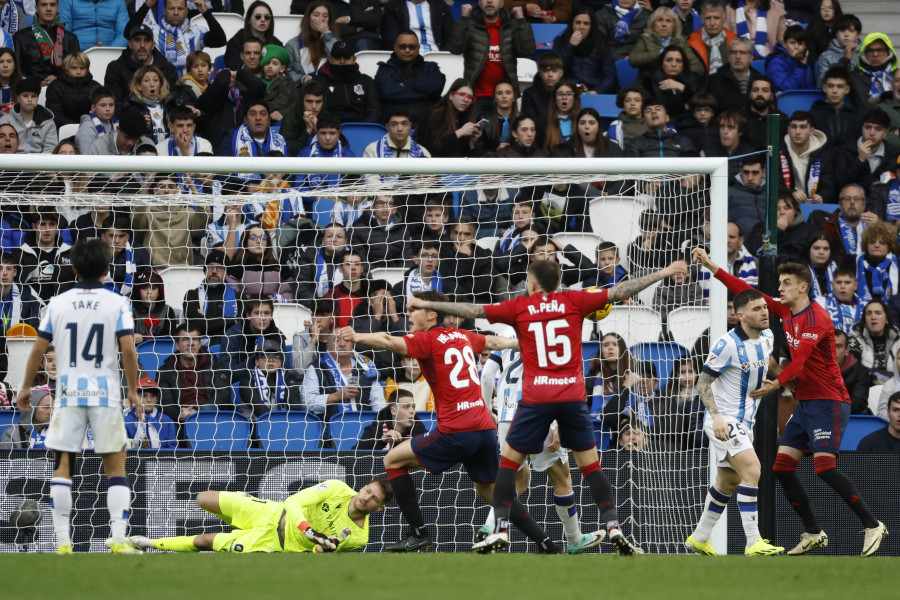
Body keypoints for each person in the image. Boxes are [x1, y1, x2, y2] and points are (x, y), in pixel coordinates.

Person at [413, 260, 687, 555]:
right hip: (571, 397)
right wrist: (663, 272)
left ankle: (502, 528)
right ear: (558, 283)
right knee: (589, 468)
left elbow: (473, 312)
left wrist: (424, 301)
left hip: (533, 400)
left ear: (532, 284)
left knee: (507, 466)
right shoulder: (575, 300)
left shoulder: (520, 307)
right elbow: (620, 291)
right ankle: (612, 527)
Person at [692, 246, 888, 557]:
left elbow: (801, 362)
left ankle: (872, 524)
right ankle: (812, 532)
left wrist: (777, 384)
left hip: (829, 401)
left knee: (824, 467)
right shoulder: (784, 312)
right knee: (782, 468)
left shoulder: (818, 318)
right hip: (806, 402)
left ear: (802, 287)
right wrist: (711, 266)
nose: (779, 288)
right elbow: (746, 291)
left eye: (784, 283)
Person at [339, 290, 560, 553]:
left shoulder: (427, 339)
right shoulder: (463, 336)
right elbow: (493, 341)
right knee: (489, 492)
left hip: (457, 429)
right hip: (484, 429)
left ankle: (419, 534)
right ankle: (546, 543)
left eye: (414, 310)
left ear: (431, 314)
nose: (408, 315)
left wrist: (358, 336)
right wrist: (521, 343)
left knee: (392, 460)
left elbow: (388, 341)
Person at [15, 238, 141, 554]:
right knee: (116, 469)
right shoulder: (117, 303)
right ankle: (118, 538)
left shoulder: (58, 302)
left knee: (63, 466)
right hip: (105, 393)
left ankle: (62, 540)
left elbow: (39, 348)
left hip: (69, 393)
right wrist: (134, 390)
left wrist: (26, 387)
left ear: (72, 269)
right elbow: (127, 347)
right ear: (107, 270)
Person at [478, 324, 606, 553]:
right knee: (562, 479)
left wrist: (487, 410)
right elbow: (551, 379)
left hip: (507, 416)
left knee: (516, 478)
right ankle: (575, 540)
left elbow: (487, 374)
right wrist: (556, 423)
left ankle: (490, 527)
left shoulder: (507, 331)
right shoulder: (547, 328)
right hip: (537, 413)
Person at [684, 289, 784, 556]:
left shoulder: (768, 336)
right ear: (740, 316)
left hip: (745, 421)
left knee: (728, 482)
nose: (764, 312)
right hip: (724, 420)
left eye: (765, 307)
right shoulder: (726, 344)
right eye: (756, 309)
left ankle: (700, 537)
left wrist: (782, 380)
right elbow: (703, 382)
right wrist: (716, 416)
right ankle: (753, 541)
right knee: (752, 470)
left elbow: (768, 361)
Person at [128, 477, 392, 553]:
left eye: (374, 499)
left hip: (274, 543)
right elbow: (294, 500)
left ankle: (145, 543)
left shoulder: (359, 537)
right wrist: (307, 529)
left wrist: (318, 546)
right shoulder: (336, 488)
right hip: (270, 511)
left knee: (205, 541)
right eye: (368, 490)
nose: (365, 497)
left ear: (378, 508)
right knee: (203, 498)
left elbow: (323, 555)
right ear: (363, 486)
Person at [449, 0, 535, 112]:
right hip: (476, 96)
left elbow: (527, 51)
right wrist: (463, 18)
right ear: (479, 2)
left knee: (505, 129)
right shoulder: (469, 24)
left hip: (505, 96)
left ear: (502, 3)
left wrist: (521, 20)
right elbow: (455, 49)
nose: (489, 1)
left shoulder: (512, 24)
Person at [301, 330, 386, 422]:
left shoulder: (365, 367)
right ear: (328, 347)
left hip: (366, 430)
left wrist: (378, 428)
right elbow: (307, 404)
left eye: (346, 340)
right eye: (337, 340)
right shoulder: (316, 368)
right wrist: (336, 396)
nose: (342, 344)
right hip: (330, 431)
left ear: (352, 345)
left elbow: (379, 404)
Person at [157, 322, 232, 424]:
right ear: (177, 345)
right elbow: (165, 403)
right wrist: (180, 415)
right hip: (182, 420)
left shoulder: (214, 363)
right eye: (185, 339)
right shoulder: (165, 370)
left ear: (200, 344)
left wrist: (198, 412)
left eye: (195, 339)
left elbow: (223, 394)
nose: (191, 343)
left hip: (211, 416)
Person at [126, 0, 226, 77]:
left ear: (186, 11)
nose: (176, 12)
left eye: (180, 9)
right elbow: (128, 33)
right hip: (161, 87)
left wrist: (205, 12)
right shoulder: (153, 31)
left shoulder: (196, 32)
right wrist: (146, 5)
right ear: (164, 11)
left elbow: (220, 40)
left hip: (191, 86)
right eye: (171, 8)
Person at [374, 30, 446, 127]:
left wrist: (409, 84)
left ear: (418, 48)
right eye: (402, 46)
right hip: (395, 129)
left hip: (428, 127)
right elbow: (389, 93)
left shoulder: (430, 68)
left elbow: (437, 85)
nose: (407, 50)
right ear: (395, 47)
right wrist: (425, 95)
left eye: (412, 47)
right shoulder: (385, 69)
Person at [104, 24, 178, 108]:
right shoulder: (115, 68)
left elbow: (173, 101)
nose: (142, 45)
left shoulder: (168, 68)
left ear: (153, 45)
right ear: (130, 44)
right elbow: (113, 104)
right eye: (137, 40)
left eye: (147, 40)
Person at [313, 40, 381, 125]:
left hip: (362, 130)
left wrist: (361, 128)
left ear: (354, 59)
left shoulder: (366, 81)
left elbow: (374, 111)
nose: (342, 61)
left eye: (346, 57)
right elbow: (315, 110)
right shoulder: (318, 82)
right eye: (337, 57)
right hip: (329, 131)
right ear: (330, 59)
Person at [630, 6, 704, 85]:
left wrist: (679, 73)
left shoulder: (681, 42)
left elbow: (698, 67)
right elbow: (633, 60)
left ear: (674, 26)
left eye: (668, 21)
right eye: (660, 20)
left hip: (676, 85)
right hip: (650, 86)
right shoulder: (645, 39)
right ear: (653, 24)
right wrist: (662, 52)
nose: (664, 24)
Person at [12, 0, 80, 85]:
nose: (48, 9)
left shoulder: (70, 38)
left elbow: (78, 72)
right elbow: (17, 73)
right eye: (44, 5)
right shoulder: (21, 37)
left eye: (52, 5)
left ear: (57, 8)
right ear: (36, 8)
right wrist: (37, 84)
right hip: (32, 93)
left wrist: (59, 81)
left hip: (64, 92)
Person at [834, 109, 898, 196]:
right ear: (862, 128)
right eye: (868, 127)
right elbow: (839, 185)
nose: (872, 133)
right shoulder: (845, 150)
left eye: (878, 129)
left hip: (879, 205)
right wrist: (859, 160)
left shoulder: (892, 155)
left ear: (885, 133)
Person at [554, 9, 616, 95]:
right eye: (578, 23)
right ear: (572, 24)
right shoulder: (560, 41)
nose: (581, 27)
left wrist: (597, 91)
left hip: (594, 91)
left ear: (591, 26)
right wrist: (570, 45)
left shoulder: (601, 43)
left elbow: (610, 75)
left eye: (586, 23)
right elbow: (556, 69)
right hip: (567, 91)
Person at [779, 110, 834, 204]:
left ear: (811, 131)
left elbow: (829, 186)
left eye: (803, 127)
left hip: (814, 207)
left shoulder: (823, 154)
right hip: (785, 204)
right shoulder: (778, 151)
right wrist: (791, 193)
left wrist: (821, 196)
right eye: (793, 127)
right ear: (788, 129)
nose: (797, 132)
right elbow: (774, 185)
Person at [412, 79, 476, 158]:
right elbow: (434, 149)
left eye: (470, 97)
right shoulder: (436, 114)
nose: (466, 100)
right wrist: (460, 132)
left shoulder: (462, 116)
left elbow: (463, 156)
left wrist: (471, 143)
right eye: (462, 95)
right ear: (451, 96)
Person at [355, 388, 428, 451]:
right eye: (406, 407)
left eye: (413, 407)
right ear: (393, 411)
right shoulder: (376, 430)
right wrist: (382, 441)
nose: (412, 411)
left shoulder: (421, 433)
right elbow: (355, 454)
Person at [848, 298, 899, 385]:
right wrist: (881, 377)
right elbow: (854, 373)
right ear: (864, 319)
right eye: (868, 314)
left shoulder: (898, 340)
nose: (873, 317)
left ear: (886, 318)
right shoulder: (854, 340)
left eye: (878, 313)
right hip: (865, 390)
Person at [810, 66, 862, 151]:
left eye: (840, 86)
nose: (835, 91)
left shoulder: (856, 116)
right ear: (824, 88)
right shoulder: (812, 115)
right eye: (830, 86)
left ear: (847, 89)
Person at [642, 46, 702, 119]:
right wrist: (684, 107)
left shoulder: (692, 78)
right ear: (662, 63)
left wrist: (682, 88)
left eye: (678, 61)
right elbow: (663, 108)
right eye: (669, 60)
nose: (673, 64)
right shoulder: (650, 81)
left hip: (691, 121)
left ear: (683, 65)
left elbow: (700, 104)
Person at [44, 51, 100, 129]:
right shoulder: (55, 87)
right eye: (74, 68)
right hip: (62, 131)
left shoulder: (96, 87)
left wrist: (86, 128)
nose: (78, 72)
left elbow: (101, 112)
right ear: (66, 69)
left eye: (82, 68)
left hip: (91, 130)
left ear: (87, 70)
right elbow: (55, 115)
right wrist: (76, 127)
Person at [285, 2, 337, 83]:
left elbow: (337, 59)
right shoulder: (292, 44)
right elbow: (286, 72)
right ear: (308, 18)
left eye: (325, 16)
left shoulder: (333, 41)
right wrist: (303, 79)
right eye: (316, 15)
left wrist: (326, 33)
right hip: (302, 90)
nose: (321, 19)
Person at [0, 78, 57, 153]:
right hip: (12, 162)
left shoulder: (49, 123)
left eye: (33, 96)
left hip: (40, 163)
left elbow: (50, 150)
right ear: (18, 98)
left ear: (38, 98)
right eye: (25, 96)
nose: (29, 100)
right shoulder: (5, 121)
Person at [223, 0, 281, 71]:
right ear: (249, 20)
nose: (263, 20)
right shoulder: (235, 43)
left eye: (267, 17)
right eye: (258, 16)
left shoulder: (277, 44)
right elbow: (234, 70)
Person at [687, 0, 738, 78]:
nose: (712, 23)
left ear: (724, 19)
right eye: (708, 18)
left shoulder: (734, 41)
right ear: (702, 19)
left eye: (716, 18)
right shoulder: (691, 43)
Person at [708, 37, 761, 111]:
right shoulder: (716, 78)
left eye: (742, 52)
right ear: (729, 57)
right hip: (727, 120)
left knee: (775, 119)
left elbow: (771, 105)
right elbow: (722, 104)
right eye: (734, 52)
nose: (738, 56)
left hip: (755, 120)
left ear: (751, 58)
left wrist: (773, 122)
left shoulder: (760, 79)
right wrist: (753, 100)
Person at [124, 376, 177, 450]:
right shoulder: (126, 421)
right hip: (134, 460)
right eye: (144, 396)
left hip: (161, 460)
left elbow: (172, 449)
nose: (149, 400)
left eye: (153, 396)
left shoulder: (166, 421)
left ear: (157, 399)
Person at [521, 51, 563, 143]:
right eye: (546, 71)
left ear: (561, 73)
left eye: (554, 71)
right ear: (540, 73)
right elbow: (529, 123)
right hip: (537, 142)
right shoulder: (529, 93)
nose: (550, 75)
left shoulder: (566, 93)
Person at [847, 33, 897, 109]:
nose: (875, 54)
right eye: (870, 51)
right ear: (864, 54)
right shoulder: (855, 76)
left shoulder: (897, 76)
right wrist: (845, 60)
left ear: (888, 52)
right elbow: (831, 81)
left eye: (880, 50)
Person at [382, 0, 453, 53]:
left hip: (438, 55)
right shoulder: (394, 6)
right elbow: (390, 39)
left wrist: (443, 54)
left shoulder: (440, 6)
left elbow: (451, 37)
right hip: (406, 55)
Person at [815, 13, 861, 87]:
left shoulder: (865, 54)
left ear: (858, 34)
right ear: (836, 33)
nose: (846, 34)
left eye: (851, 31)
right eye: (842, 31)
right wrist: (845, 60)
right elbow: (821, 85)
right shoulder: (826, 56)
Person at [281, 80, 326, 156]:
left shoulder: (329, 118)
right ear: (301, 101)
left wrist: (317, 130)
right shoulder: (290, 118)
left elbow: (339, 148)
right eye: (309, 101)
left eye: (318, 102)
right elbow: (288, 151)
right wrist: (308, 130)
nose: (314, 107)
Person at [742, 74, 787, 149]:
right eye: (755, 90)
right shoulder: (739, 118)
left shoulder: (781, 119)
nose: (759, 94)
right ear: (749, 94)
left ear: (772, 96)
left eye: (765, 90)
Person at [766, 25, 816, 93]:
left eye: (800, 43)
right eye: (792, 43)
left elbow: (810, 89)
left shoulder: (805, 63)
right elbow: (788, 89)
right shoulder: (775, 63)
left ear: (805, 46)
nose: (796, 47)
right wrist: (800, 67)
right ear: (784, 44)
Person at [59, 0, 128, 49]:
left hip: (111, 53)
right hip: (77, 54)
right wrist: (88, 51)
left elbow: (124, 33)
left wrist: (108, 50)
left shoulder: (118, 1)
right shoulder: (67, 1)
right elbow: (64, 31)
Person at [130, 270, 176, 343]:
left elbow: (169, 338)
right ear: (138, 291)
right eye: (144, 288)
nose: (149, 292)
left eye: (153, 288)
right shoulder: (130, 310)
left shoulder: (168, 311)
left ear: (159, 292)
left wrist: (145, 338)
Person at [0, 251, 42, 329]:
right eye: (0, 269)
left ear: (15, 272)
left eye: (8, 269)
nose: (4, 273)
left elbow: (32, 333)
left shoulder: (29, 301)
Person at [833, 329, 870, 415]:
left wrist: (828, 407)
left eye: (838, 346)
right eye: (829, 346)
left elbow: (858, 404)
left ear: (847, 350)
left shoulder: (860, 372)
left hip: (850, 420)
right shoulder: (814, 369)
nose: (833, 351)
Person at [87, 107, 152, 155]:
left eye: (135, 139)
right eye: (127, 137)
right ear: (118, 129)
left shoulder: (148, 145)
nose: (130, 143)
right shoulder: (98, 147)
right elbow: (88, 173)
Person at [816, 264, 862, 333]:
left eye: (847, 282)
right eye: (838, 282)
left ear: (855, 285)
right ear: (832, 285)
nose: (842, 286)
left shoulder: (866, 306)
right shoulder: (820, 303)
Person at [75, 86, 117, 154]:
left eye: (111, 105)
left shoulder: (116, 125)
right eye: (103, 105)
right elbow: (86, 155)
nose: (108, 109)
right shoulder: (87, 127)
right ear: (93, 107)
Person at [607, 84, 648, 151]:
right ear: (623, 107)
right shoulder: (616, 127)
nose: (632, 103)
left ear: (643, 105)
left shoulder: (651, 125)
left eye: (637, 100)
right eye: (628, 100)